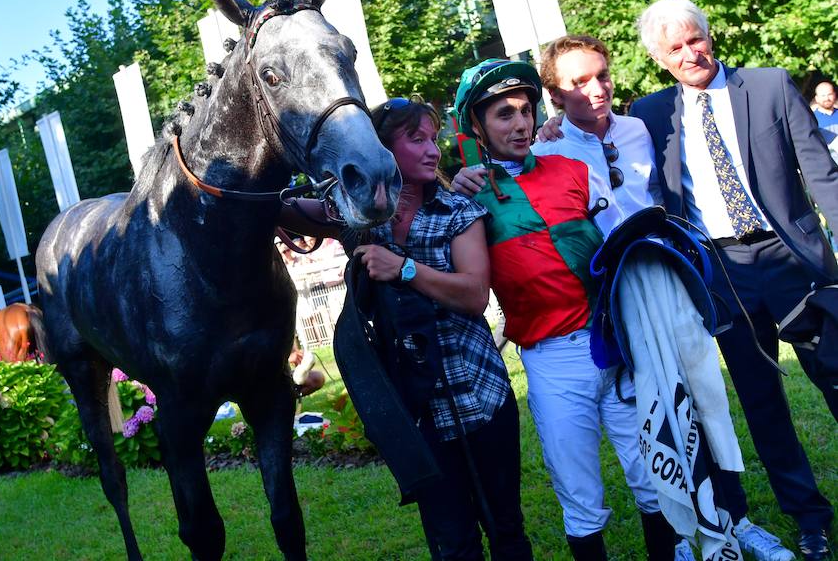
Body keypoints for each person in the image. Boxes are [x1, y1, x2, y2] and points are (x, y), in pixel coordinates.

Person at [526, 33, 798, 561]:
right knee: (654, 409)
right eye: (578, 83)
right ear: (554, 96)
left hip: (674, 281)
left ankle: (735, 520)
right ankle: (680, 531)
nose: (596, 89)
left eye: (601, 74)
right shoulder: (545, 150)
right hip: (611, 299)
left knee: (704, 398)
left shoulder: (639, 128)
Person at [451, 58, 686, 561]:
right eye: (503, 115)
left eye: (525, 110)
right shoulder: (467, 195)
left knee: (652, 478)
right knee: (581, 497)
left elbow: (621, 240)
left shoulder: (572, 169)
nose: (519, 124)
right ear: (476, 124)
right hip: (552, 359)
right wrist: (453, 188)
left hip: (613, 344)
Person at [630, 0, 837, 561]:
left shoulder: (769, 86)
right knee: (762, 401)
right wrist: (551, 125)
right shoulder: (649, 115)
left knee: (836, 372)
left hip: (793, 259)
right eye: (675, 47)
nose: (690, 52)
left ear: (709, 37)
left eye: (695, 39)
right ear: (660, 59)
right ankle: (809, 519)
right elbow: (597, 135)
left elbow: (823, 175)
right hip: (721, 274)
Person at [283, 97, 532, 560]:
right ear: (380, 150)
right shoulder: (361, 220)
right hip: (419, 413)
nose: (433, 150)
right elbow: (285, 209)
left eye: (433, 139)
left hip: (480, 397)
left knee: (506, 529)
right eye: (416, 140)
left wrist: (404, 269)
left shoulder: (458, 211)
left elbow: (475, 294)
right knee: (452, 542)